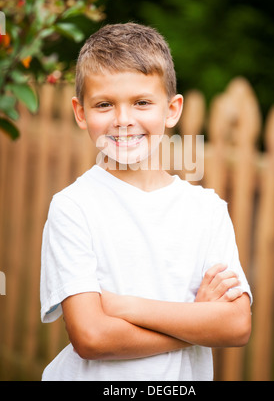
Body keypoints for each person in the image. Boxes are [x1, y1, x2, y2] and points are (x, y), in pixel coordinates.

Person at [40, 22, 252, 381]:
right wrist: (195, 321)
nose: (124, 121)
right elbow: (91, 336)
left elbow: (234, 325)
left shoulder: (207, 210)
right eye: (104, 104)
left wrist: (124, 306)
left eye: (141, 102)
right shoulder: (73, 207)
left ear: (171, 110)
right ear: (80, 112)